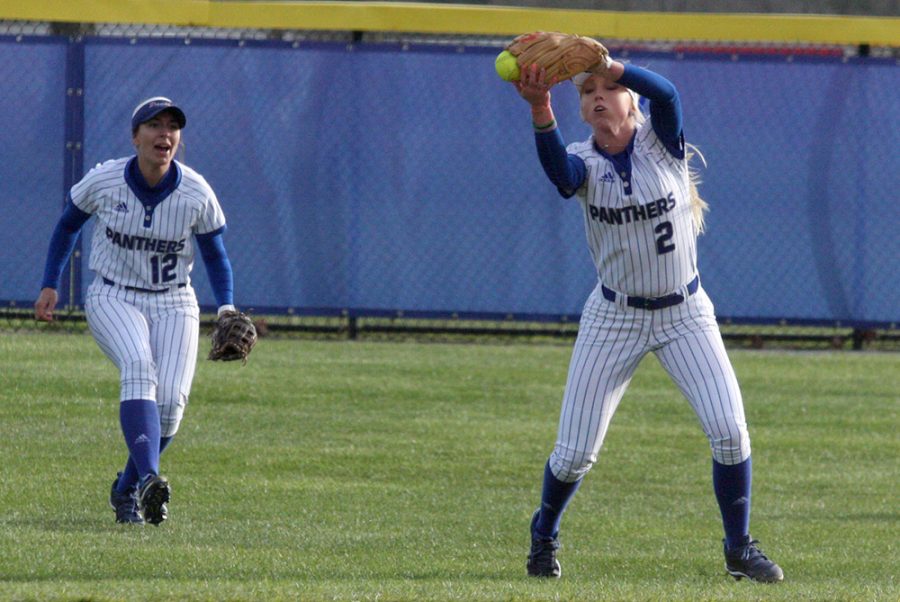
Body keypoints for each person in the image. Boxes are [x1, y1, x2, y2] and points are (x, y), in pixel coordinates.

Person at [512, 58, 784, 582]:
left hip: (685, 313)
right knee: (573, 456)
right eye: (587, 90)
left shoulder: (662, 141)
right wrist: (541, 107)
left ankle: (738, 548)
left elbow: (669, 92)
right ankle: (543, 534)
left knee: (730, 432)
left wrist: (615, 65)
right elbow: (560, 177)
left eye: (608, 88)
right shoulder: (581, 159)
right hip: (613, 317)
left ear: (630, 101)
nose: (597, 96)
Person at [35, 96, 238, 526]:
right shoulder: (105, 180)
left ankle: (127, 488)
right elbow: (68, 224)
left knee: (170, 406)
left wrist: (226, 308)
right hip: (113, 295)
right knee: (139, 367)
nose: (164, 134)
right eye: (154, 125)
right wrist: (50, 283)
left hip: (174, 299)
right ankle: (149, 478)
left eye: (172, 127)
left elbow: (215, 256)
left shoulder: (195, 191)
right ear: (135, 136)